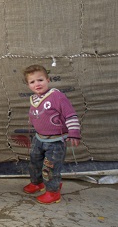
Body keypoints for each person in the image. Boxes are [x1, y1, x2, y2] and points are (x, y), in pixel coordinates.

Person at [22, 64, 81, 204]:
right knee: (34, 162)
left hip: (55, 141)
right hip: (39, 138)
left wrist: (74, 132)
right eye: (32, 82)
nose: (37, 84)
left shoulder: (57, 96)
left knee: (50, 167)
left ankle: (53, 191)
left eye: (40, 80)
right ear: (28, 85)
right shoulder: (35, 99)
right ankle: (37, 183)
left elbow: (70, 115)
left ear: (48, 80)